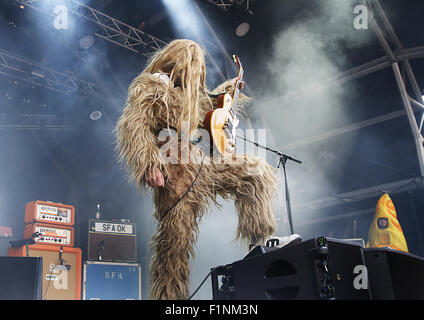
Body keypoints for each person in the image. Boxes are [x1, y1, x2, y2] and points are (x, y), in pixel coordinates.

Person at [114, 39, 298, 300]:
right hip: (175, 175)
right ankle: (169, 300)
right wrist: (148, 163)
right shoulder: (151, 87)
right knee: (174, 246)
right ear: (177, 62)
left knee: (256, 172)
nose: (198, 73)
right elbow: (134, 126)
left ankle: (260, 244)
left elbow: (209, 111)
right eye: (194, 66)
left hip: (204, 165)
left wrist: (229, 90)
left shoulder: (191, 95)